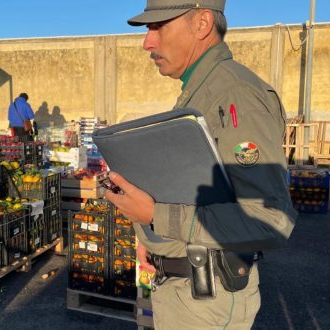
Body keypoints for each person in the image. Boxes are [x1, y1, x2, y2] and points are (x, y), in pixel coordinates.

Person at [104, 1, 298, 329]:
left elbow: (269, 219)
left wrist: (155, 215)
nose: (147, 42)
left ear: (202, 23)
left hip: (207, 300)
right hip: (185, 290)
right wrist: (149, 238)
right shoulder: (201, 93)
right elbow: (190, 188)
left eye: (158, 26)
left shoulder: (234, 95)